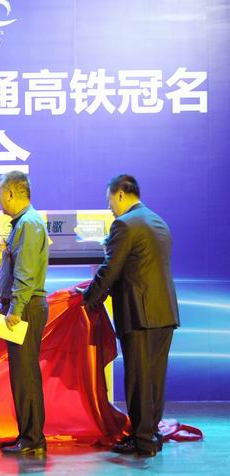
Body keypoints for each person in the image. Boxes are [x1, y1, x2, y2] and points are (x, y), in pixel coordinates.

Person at [81, 175, 179, 456]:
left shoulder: (124, 224)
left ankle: (142, 440)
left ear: (121, 194)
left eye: (109, 200)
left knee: (138, 379)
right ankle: (151, 435)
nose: (109, 207)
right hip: (164, 312)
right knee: (154, 379)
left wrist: (88, 299)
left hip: (139, 314)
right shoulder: (158, 221)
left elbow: (110, 269)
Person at [0, 171, 49, 456]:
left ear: (10, 194)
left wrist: (15, 309)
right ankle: (27, 436)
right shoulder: (21, 224)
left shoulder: (29, 224)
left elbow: (25, 273)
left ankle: (33, 439)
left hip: (25, 309)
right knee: (21, 376)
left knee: (26, 375)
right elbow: (7, 268)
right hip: (18, 307)